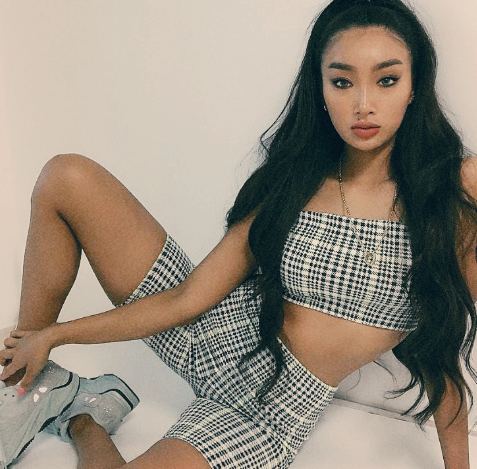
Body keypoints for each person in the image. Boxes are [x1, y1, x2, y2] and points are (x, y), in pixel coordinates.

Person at [0, 0, 476, 467]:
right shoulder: (295, 181)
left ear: (414, 87)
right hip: (208, 331)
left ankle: (82, 416)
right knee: (66, 176)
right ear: (320, 89)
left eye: (387, 80)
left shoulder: (451, 193)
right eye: (342, 81)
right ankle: (25, 388)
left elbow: (444, 350)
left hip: (265, 412)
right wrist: (52, 337)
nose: (363, 105)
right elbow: (187, 299)